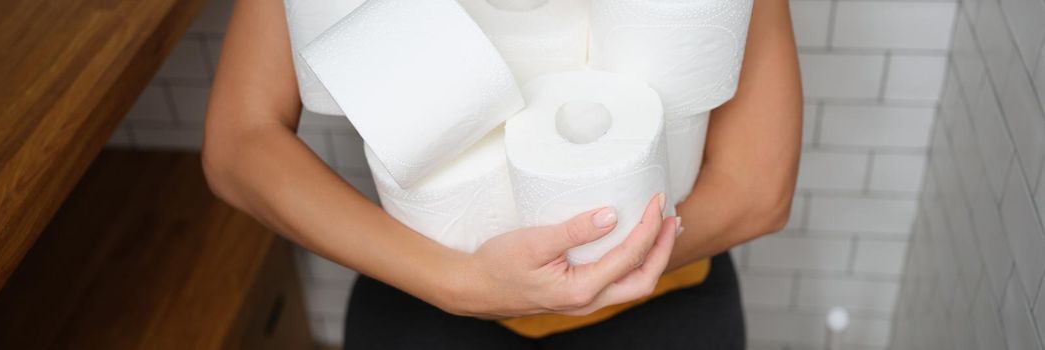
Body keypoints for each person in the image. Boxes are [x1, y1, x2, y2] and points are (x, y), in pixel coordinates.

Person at [202, 0, 801, 348]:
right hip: (422, 284)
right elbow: (240, 142)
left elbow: (758, 189)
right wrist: (456, 283)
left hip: (665, 291)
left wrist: (597, 268)